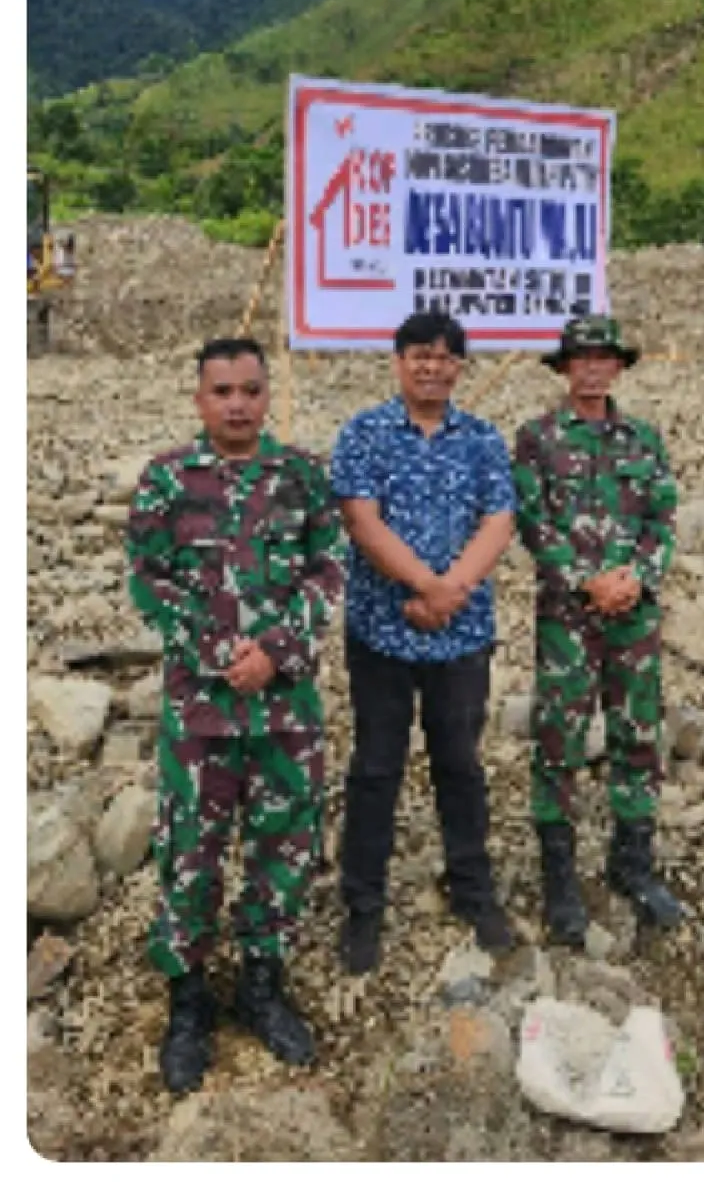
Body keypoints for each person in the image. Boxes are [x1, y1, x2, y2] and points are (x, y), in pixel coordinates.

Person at [126, 337, 343, 1094]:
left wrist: (277, 651)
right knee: (190, 851)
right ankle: (188, 999)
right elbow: (148, 579)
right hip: (201, 712)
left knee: (283, 848)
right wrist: (221, 649)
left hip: (285, 708)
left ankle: (261, 982)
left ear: (265, 393)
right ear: (199, 398)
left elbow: (328, 566)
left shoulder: (303, 476)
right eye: (222, 390)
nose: (238, 403)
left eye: (250, 389)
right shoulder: (165, 480)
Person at [331, 311, 518, 974]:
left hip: (462, 634)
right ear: (398, 360)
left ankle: (472, 889)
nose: (432, 366)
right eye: (420, 355)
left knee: (460, 764)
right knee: (376, 766)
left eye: (445, 356)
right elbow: (360, 518)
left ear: (460, 366)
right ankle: (362, 904)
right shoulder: (365, 433)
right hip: (382, 632)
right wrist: (422, 585)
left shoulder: (483, 439)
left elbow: (500, 518)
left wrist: (450, 590)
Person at [511, 314, 682, 946]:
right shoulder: (537, 439)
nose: (592, 366)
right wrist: (590, 581)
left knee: (637, 734)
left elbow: (662, 519)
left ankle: (631, 863)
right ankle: (560, 876)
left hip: (633, 617)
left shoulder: (643, 439)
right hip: (569, 619)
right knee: (559, 741)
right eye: (580, 357)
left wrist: (636, 576)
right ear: (564, 367)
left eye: (603, 357)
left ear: (617, 367)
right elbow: (534, 524)